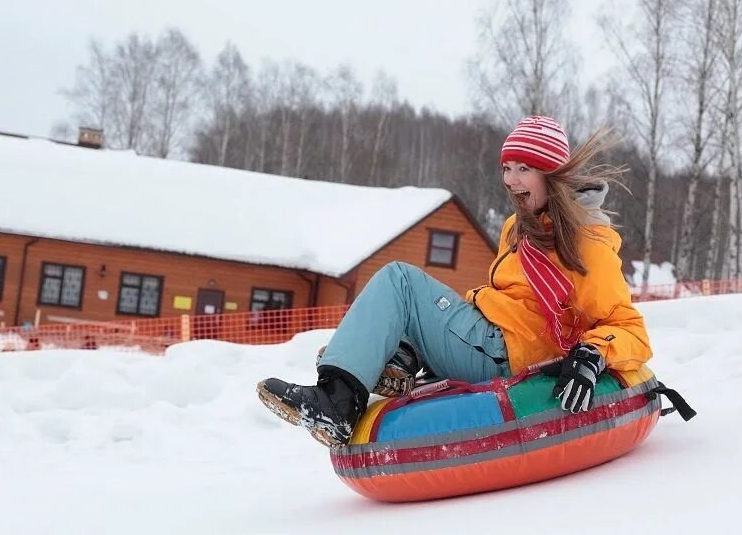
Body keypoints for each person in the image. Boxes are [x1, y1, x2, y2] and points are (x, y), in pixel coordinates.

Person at [257, 116, 652, 448]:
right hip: (494, 337)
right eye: (506, 168)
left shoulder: (586, 242)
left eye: (524, 169)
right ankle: (397, 359)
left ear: (553, 174)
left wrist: (593, 355)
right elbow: (507, 298)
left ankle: (337, 402)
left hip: (509, 352)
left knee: (400, 281)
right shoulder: (520, 227)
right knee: (418, 306)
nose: (511, 181)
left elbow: (628, 327)